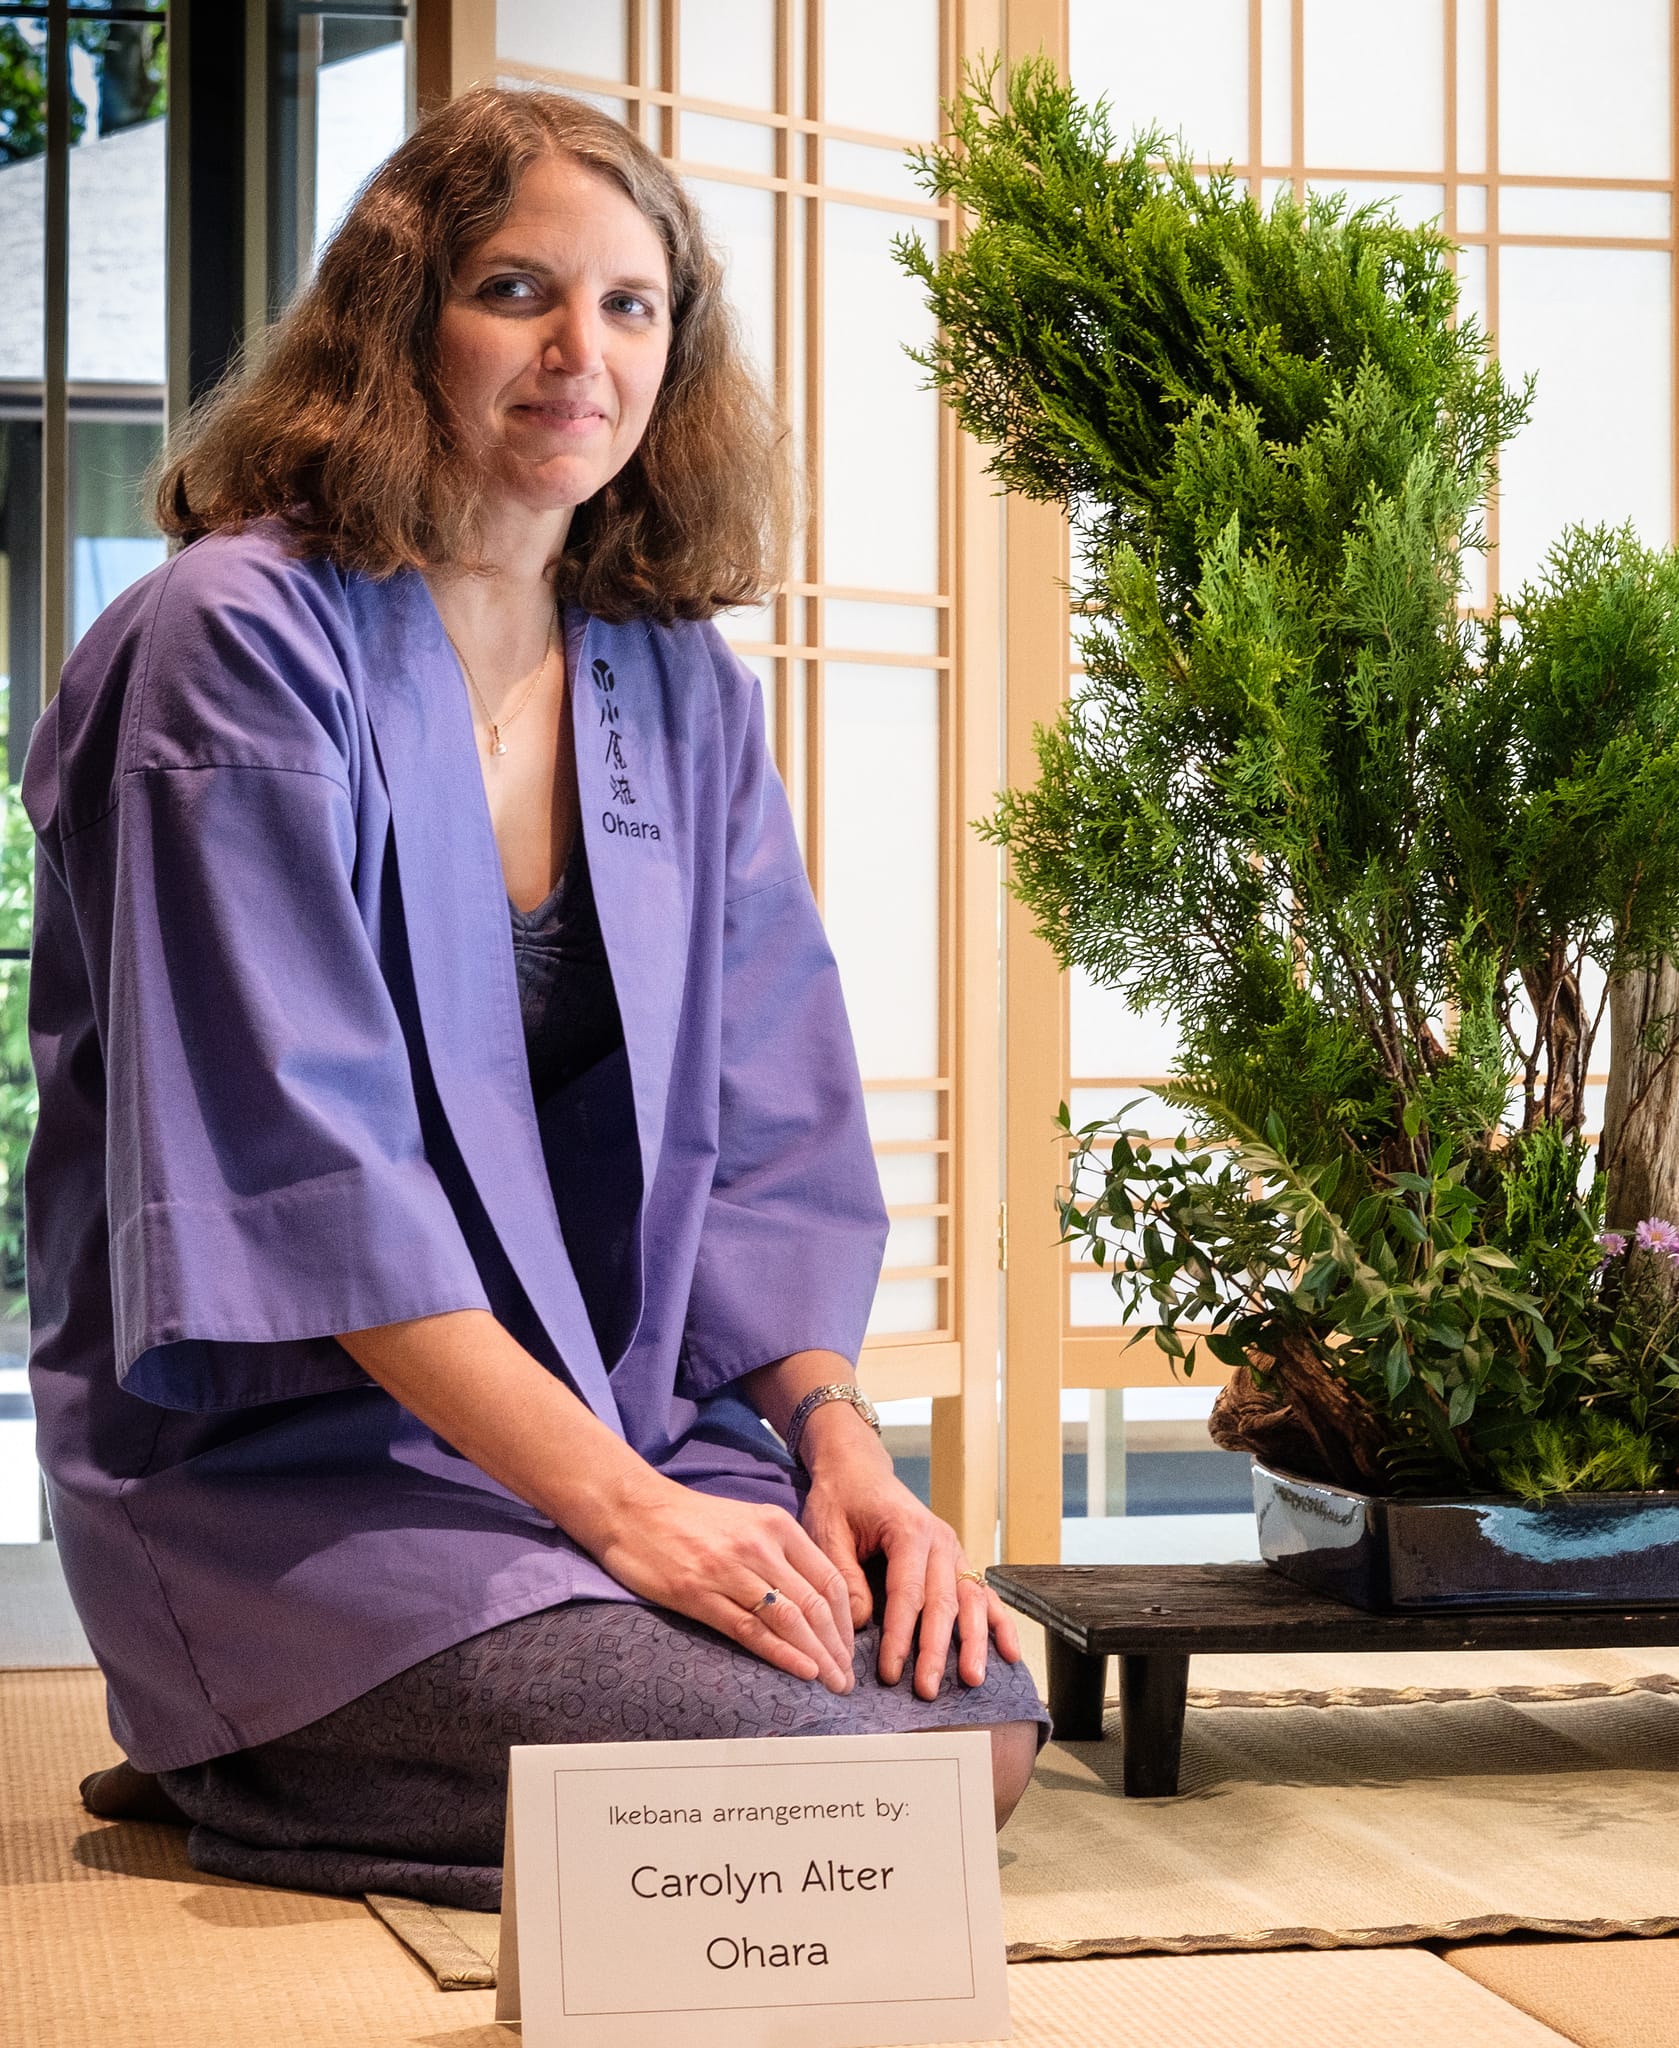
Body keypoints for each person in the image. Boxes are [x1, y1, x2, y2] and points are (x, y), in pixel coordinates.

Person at [26, 86, 1044, 1912]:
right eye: (518, 291)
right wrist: (631, 1519)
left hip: (607, 1416)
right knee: (856, 1793)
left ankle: (341, 1751)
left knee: (971, 1712)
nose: (584, 352)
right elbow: (299, 1172)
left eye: (634, 304)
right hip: (299, 1471)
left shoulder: (675, 680)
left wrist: (835, 1447)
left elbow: (769, 1122)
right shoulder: (235, 641)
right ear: (398, 323)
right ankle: (252, 1737)